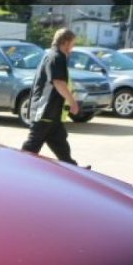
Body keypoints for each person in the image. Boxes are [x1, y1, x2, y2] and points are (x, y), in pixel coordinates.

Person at [21, 28, 85, 167]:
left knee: (61, 145)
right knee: (32, 147)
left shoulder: (53, 55)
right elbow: (58, 82)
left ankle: (73, 169)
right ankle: (17, 170)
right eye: (73, 44)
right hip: (44, 111)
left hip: (51, 113)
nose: (72, 48)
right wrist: (73, 103)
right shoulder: (56, 57)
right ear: (66, 42)